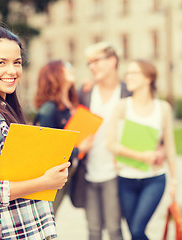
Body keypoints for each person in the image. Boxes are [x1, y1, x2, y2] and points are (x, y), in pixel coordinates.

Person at [0, 25, 70, 240]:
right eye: (1, 62)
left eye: (17, 62)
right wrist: (44, 183)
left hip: (30, 230)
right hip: (11, 233)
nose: (12, 70)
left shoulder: (4, 107)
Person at [107, 59, 178, 240]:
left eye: (133, 73)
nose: (127, 77)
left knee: (137, 231)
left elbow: (170, 146)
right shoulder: (122, 106)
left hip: (154, 180)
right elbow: (111, 144)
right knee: (136, 233)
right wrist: (142, 156)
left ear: (148, 78)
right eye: (127, 73)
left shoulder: (163, 108)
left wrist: (175, 180)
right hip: (126, 180)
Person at [78, 42, 131, 240]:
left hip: (115, 173)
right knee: (93, 231)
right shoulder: (85, 92)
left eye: (96, 61)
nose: (92, 66)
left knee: (114, 229)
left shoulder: (127, 92)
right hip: (89, 172)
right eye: (89, 63)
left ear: (112, 61)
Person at [34, 60, 93, 214]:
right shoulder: (49, 109)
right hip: (50, 178)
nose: (71, 68)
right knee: (46, 219)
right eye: (65, 67)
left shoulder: (68, 106)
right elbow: (46, 149)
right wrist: (79, 149)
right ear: (55, 74)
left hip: (65, 175)